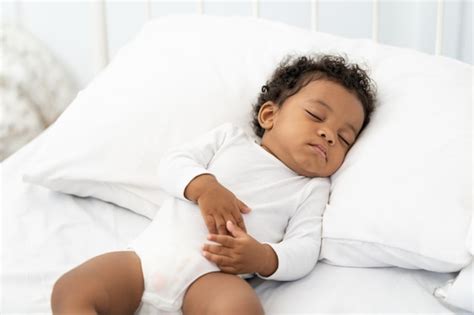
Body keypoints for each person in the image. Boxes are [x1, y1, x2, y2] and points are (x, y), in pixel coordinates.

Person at [51, 54, 376, 315]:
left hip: (214, 280)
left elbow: (304, 248)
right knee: (72, 289)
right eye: (316, 116)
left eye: (344, 138)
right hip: (147, 262)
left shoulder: (311, 189)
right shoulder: (230, 140)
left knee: (241, 308)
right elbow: (173, 164)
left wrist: (263, 257)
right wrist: (205, 187)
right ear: (269, 116)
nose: (329, 134)